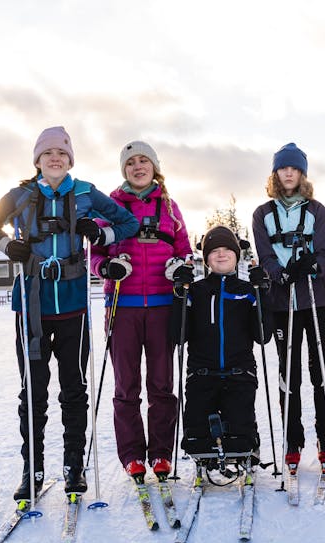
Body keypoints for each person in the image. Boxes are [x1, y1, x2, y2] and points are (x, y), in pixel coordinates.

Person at [0, 126, 139, 497]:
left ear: (70, 160)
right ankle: (32, 470)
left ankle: (73, 466)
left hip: (72, 304)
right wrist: (7, 244)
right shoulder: (21, 194)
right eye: (48, 154)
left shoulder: (84, 192)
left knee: (74, 388)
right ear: (37, 160)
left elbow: (127, 222)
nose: (55, 159)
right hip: (31, 305)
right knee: (33, 391)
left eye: (62, 154)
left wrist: (101, 234)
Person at [89, 141, 193, 482]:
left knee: (162, 383)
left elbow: (184, 250)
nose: (137, 167)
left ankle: (161, 453)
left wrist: (180, 267)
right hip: (123, 305)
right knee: (126, 385)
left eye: (143, 160)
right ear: (124, 169)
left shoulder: (170, 207)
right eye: (130, 162)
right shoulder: (110, 206)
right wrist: (106, 267)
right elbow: (94, 253)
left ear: (154, 167)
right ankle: (132, 455)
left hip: (162, 305)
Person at [251, 143, 325, 473]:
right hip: (282, 300)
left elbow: (324, 251)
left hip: (318, 299)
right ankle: (293, 438)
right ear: (276, 173)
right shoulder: (263, 213)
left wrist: (312, 266)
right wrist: (279, 273)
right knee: (289, 370)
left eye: (294, 168)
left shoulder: (316, 210)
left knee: (320, 367)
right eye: (283, 168)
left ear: (302, 173)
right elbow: (265, 253)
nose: (289, 173)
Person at [173, 225, 270, 463]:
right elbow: (178, 335)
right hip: (201, 374)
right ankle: (205, 457)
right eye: (214, 250)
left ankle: (246, 450)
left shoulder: (247, 290)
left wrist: (262, 294)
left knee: (240, 438)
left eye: (227, 249)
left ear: (237, 255)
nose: (221, 254)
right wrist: (179, 295)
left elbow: (263, 336)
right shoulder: (195, 291)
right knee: (197, 439)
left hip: (240, 374)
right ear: (206, 258)